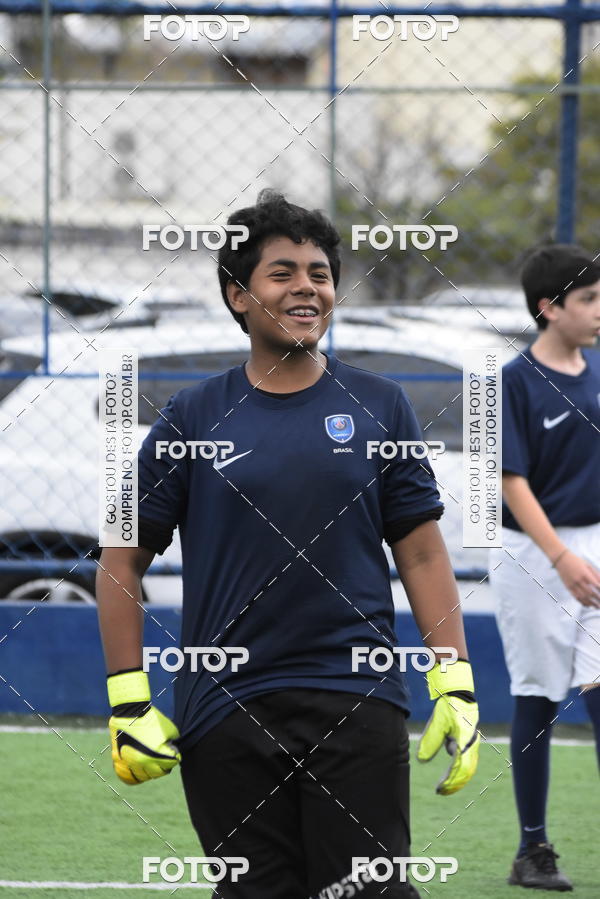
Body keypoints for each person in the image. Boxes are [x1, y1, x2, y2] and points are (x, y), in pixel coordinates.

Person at [96, 190, 479, 898]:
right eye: (283, 272)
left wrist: (453, 676)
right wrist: (128, 702)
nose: (307, 286)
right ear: (238, 296)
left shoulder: (381, 405)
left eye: (320, 272)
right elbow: (120, 558)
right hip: (225, 705)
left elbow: (422, 553)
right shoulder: (192, 414)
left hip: (357, 697)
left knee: (369, 892)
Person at [489, 244, 600, 892]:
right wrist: (561, 558)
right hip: (535, 552)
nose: (598, 309)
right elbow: (510, 480)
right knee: (538, 697)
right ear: (547, 308)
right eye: (587, 298)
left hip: (594, 541)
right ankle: (532, 850)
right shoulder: (509, 380)